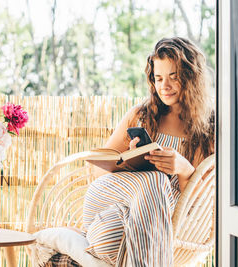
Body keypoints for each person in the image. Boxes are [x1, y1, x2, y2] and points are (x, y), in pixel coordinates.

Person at [82, 37, 215, 266]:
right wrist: (130, 163)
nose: (164, 86)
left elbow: (200, 207)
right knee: (154, 179)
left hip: (150, 221)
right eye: (158, 78)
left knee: (106, 241)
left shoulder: (208, 129)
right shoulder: (141, 114)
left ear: (191, 78)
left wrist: (184, 169)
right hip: (111, 199)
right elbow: (98, 171)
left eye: (174, 77)